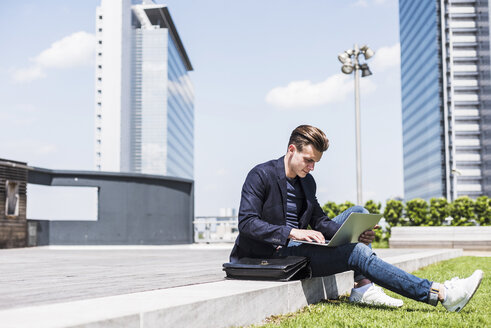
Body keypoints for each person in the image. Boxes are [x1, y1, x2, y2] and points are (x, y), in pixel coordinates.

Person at [229, 124, 483, 311]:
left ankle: (362, 287)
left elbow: (319, 221)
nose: (312, 167)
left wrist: (353, 231)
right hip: (271, 253)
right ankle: (441, 294)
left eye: (316, 162)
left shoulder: (307, 183)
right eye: (308, 160)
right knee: (357, 253)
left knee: (358, 213)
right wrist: (292, 232)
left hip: (299, 247)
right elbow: (247, 222)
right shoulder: (260, 175)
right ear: (291, 149)